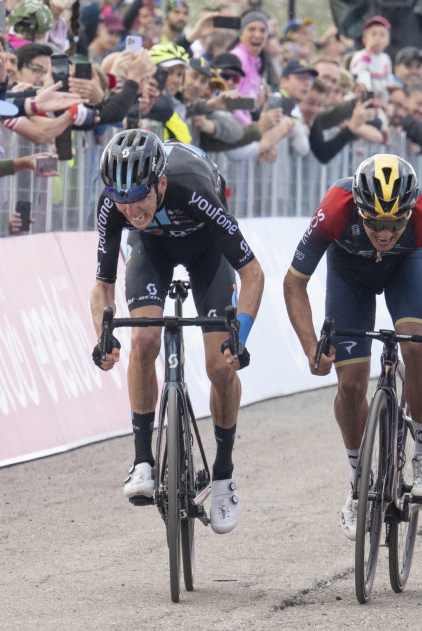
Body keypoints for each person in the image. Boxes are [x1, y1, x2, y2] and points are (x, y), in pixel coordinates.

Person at [90, 129, 263, 535]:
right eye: (122, 200)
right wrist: (103, 333)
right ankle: (142, 462)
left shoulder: (193, 187)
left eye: (140, 198)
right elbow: (102, 285)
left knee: (220, 365)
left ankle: (222, 472)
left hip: (208, 250)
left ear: (161, 183)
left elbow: (252, 273)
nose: (131, 210)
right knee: (144, 339)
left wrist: (241, 333)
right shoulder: (114, 204)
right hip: (153, 250)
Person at [282, 154, 422, 541]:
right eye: (375, 224)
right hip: (350, 275)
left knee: (416, 348)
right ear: (358, 210)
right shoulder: (334, 209)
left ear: (409, 212)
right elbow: (293, 283)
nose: (384, 234)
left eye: (396, 223)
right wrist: (311, 345)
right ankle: (357, 481)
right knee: (349, 385)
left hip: (406, 269)